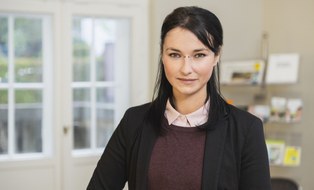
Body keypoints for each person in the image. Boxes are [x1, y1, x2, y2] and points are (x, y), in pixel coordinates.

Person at [87, 6, 271, 190]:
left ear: (216, 56)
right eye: (175, 55)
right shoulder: (134, 121)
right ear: (162, 55)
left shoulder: (246, 129)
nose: (186, 68)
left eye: (199, 55)